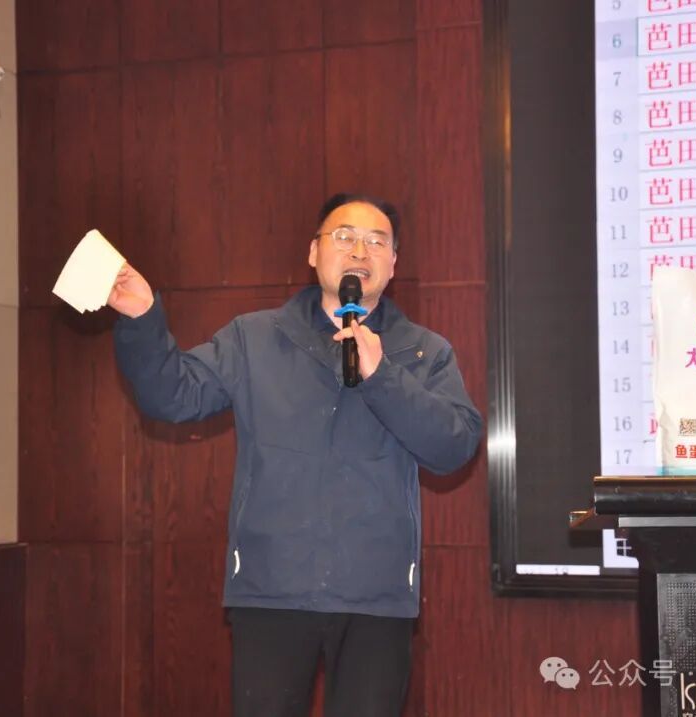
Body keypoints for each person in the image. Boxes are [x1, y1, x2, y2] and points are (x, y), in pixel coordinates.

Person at [109, 193, 482, 717]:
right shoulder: (255, 338)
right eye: (344, 236)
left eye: (376, 242)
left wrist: (383, 377)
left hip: (377, 598)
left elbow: (454, 446)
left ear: (394, 263)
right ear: (313, 252)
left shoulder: (424, 351)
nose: (360, 251)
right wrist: (142, 318)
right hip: (271, 590)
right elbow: (173, 395)